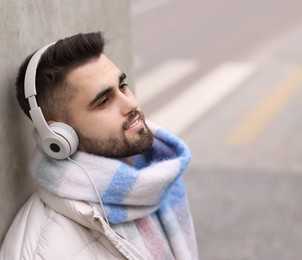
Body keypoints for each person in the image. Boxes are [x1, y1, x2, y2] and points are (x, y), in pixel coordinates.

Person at [0, 32, 198, 259]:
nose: (131, 104)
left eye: (122, 86)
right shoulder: (44, 251)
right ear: (60, 135)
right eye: (104, 101)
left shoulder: (156, 179)